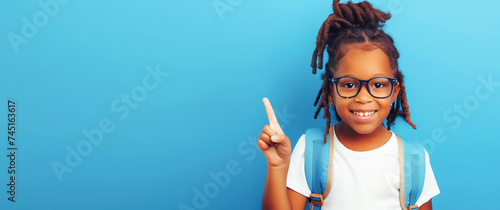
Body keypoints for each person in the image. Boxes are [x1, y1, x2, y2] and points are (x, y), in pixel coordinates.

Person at [257, 0, 440, 209]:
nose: (363, 98)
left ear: (394, 92)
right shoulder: (312, 149)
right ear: (331, 92)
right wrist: (277, 166)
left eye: (378, 84)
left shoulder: (414, 160)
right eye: (349, 84)